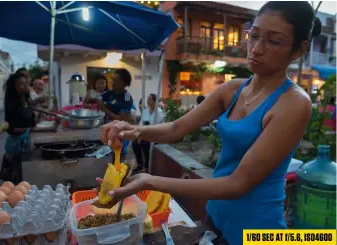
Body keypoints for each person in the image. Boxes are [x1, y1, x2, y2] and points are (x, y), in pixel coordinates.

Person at [98, 2, 320, 244]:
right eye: (254, 35)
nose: (256, 48)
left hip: (255, 228)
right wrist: (134, 130)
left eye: (274, 41)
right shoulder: (234, 89)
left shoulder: (294, 103)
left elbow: (238, 184)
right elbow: (176, 129)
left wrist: (150, 181)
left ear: (299, 50)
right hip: (215, 216)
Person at [1, 73, 36, 184]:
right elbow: (10, 128)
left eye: (26, 84)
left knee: (28, 178)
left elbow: (31, 120)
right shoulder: (12, 103)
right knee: (16, 182)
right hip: (16, 147)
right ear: (13, 86)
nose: (25, 86)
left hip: (27, 144)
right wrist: (26, 130)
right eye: (21, 84)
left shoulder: (27, 101)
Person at [96, 68, 134, 156]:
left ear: (124, 83)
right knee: (107, 157)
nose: (112, 82)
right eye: (113, 79)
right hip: (108, 129)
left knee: (119, 157)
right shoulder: (109, 93)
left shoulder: (126, 97)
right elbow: (98, 99)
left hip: (120, 132)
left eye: (116, 80)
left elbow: (121, 119)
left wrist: (104, 108)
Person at [132, 93, 165, 171]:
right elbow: (141, 124)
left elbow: (154, 127)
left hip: (156, 134)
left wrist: (143, 136)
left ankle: (146, 166)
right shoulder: (146, 111)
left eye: (150, 99)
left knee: (146, 145)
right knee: (135, 143)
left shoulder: (159, 112)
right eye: (148, 99)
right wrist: (139, 136)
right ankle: (139, 163)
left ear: (154, 101)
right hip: (145, 133)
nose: (148, 101)